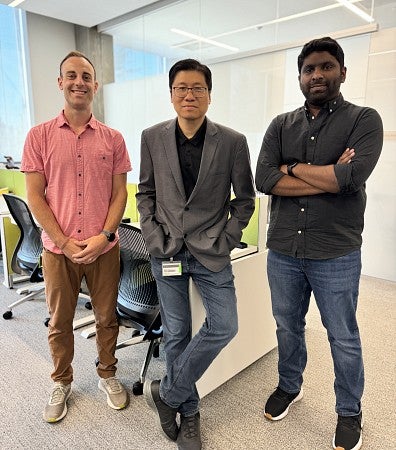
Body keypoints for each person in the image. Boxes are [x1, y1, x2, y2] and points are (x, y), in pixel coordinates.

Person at [255, 37, 383, 450]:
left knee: (342, 335)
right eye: (309, 69)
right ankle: (290, 386)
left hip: (337, 252)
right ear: (300, 77)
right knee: (287, 325)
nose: (317, 75)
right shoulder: (280, 124)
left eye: (326, 67)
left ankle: (349, 411)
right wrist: (325, 175)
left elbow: (349, 179)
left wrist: (290, 167)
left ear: (342, 72)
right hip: (284, 251)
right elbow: (264, 179)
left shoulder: (364, 120)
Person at [137, 58, 255, 449]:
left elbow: (245, 200)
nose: (189, 95)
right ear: (171, 95)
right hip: (166, 249)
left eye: (197, 88)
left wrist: (227, 237)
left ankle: (167, 393)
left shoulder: (233, 142)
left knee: (225, 326)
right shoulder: (152, 136)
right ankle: (189, 412)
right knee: (176, 334)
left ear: (209, 95)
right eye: (181, 88)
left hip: (211, 251)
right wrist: (152, 236)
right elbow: (146, 193)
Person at [21, 51, 132, 423]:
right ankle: (61, 381)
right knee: (59, 321)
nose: (79, 82)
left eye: (86, 76)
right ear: (60, 83)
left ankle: (108, 374)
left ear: (95, 86)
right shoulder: (38, 136)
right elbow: (35, 196)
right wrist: (66, 242)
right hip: (58, 249)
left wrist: (104, 235)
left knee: (106, 317)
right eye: (71, 75)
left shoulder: (113, 138)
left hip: (104, 248)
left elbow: (121, 194)